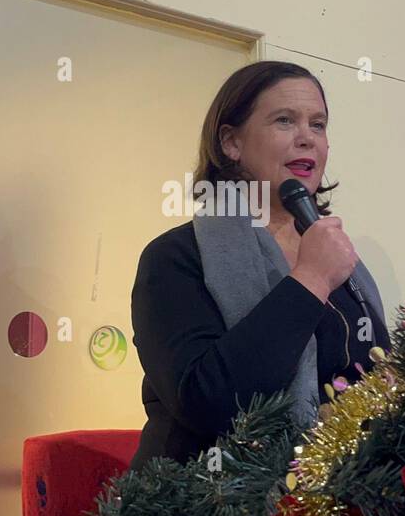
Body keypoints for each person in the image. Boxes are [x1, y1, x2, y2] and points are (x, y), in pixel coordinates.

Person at [129, 61, 390, 470]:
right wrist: (310, 279)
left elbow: (370, 379)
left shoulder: (341, 260)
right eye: (285, 120)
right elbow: (207, 402)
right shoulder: (174, 258)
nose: (307, 138)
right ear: (231, 143)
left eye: (318, 125)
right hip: (206, 507)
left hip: (338, 500)